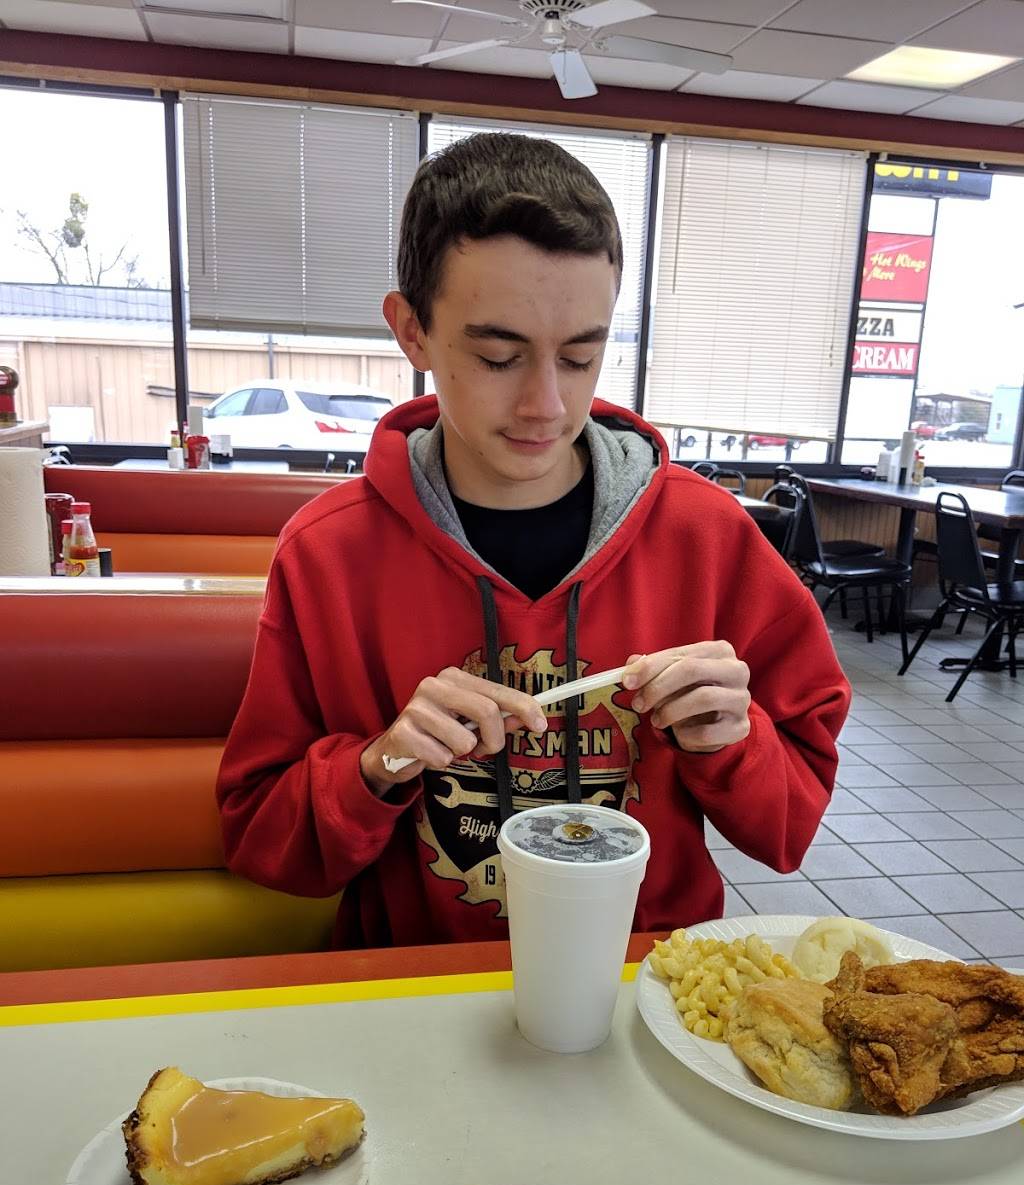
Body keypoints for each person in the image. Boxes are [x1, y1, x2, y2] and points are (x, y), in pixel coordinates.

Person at [217, 132, 850, 948]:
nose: (546, 405)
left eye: (581, 357)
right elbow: (260, 835)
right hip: (415, 980)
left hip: (645, 979)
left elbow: (788, 829)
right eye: (497, 356)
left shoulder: (708, 537)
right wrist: (382, 762)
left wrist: (734, 739)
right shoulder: (328, 554)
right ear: (412, 332)